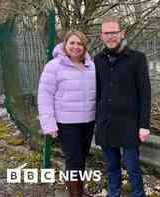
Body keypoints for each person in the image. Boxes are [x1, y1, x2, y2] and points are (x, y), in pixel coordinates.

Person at [94, 16, 151, 197]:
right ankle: (114, 193)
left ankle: (138, 194)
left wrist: (144, 125)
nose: (110, 36)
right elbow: (96, 93)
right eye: (106, 33)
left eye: (114, 32)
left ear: (122, 34)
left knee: (133, 166)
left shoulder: (137, 58)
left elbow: (145, 94)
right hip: (106, 123)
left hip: (129, 124)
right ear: (101, 36)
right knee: (111, 167)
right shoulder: (98, 60)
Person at [38, 30, 95, 197]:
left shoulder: (91, 66)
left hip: (88, 121)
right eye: (72, 43)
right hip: (66, 123)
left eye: (80, 44)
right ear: (65, 45)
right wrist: (48, 124)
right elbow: (44, 96)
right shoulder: (54, 66)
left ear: (84, 47)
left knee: (82, 158)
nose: (76, 47)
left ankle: (80, 190)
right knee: (73, 160)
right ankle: (74, 194)